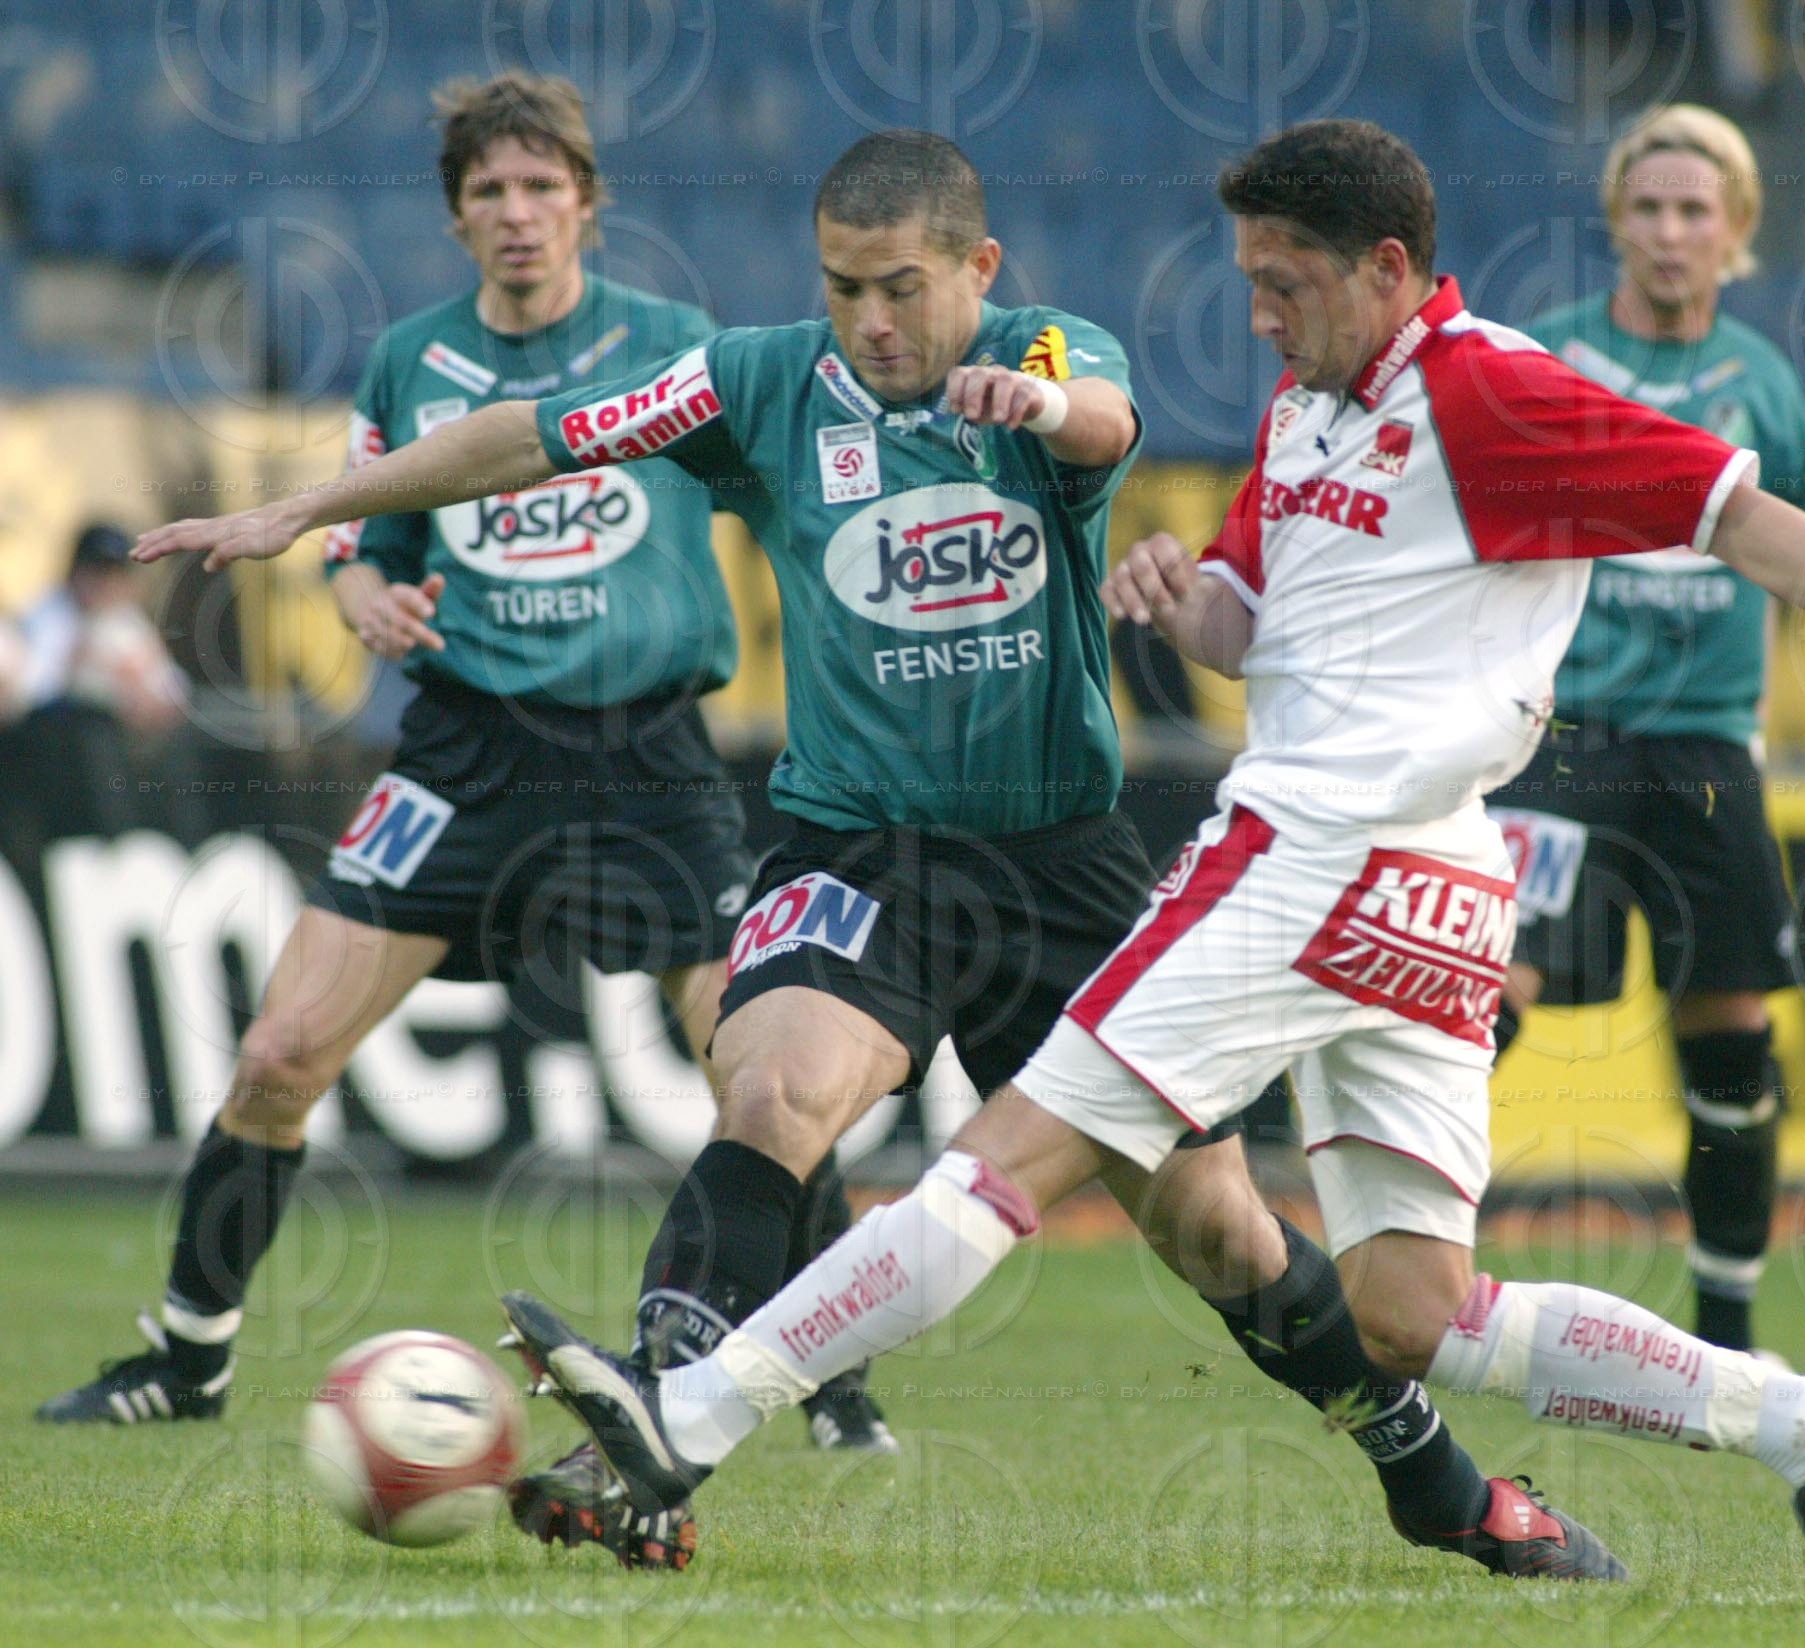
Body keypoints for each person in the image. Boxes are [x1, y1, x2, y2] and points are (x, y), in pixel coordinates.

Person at [491, 119, 1805, 1609]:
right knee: (1412, 1310)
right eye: (1244, 279)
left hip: (1323, 847)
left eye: (1281, 281)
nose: (1253, 313)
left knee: (1008, 1160)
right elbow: (1249, 623)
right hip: (1432, 879)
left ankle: (692, 1416)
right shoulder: (1312, 410)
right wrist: (1185, 593)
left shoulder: (1489, 389)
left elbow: (1727, 507)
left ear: (1385, 265)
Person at [133, 130, 1541, 1582]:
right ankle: (652, 1415)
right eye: (844, 287)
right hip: (857, 843)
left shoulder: (1037, 343)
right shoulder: (761, 376)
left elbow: (1105, 416)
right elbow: (539, 435)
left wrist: (1041, 403)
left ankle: (1430, 1476)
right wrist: (311, 508)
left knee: (1220, 1235)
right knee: (774, 1084)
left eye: (903, 289)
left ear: (977, 272)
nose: (872, 322)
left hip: (1058, 865)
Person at [36, 70, 786, 1549]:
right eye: (488, 193)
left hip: (650, 754)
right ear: (456, 216)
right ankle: (185, 1359)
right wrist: (369, 593)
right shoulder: (411, 359)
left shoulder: (678, 350)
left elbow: (777, 500)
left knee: (764, 1080)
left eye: (540, 186)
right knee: (280, 1050)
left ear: (588, 197)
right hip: (464, 754)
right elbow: (369, 546)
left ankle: (814, 1374)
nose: (517, 214)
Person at [1486, 105, 1805, 1356]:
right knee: (1481, 990)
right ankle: (1407, 1268)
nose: (1670, 232)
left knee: (1729, 1035)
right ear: (1615, 221)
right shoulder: (1549, 361)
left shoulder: (1765, 389)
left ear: (1735, 229)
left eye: (1696, 211)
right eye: (1648, 208)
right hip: (1561, 737)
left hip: (1702, 745)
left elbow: (1785, 552)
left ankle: (1727, 1331)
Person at [16, 522, 189, 730]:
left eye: (113, 574)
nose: (105, 583)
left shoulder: (125, 619)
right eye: (97, 572)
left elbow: (176, 693)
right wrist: (82, 666)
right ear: (75, 571)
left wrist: (138, 679)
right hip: (56, 742)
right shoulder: (47, 614)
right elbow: (29, 695)